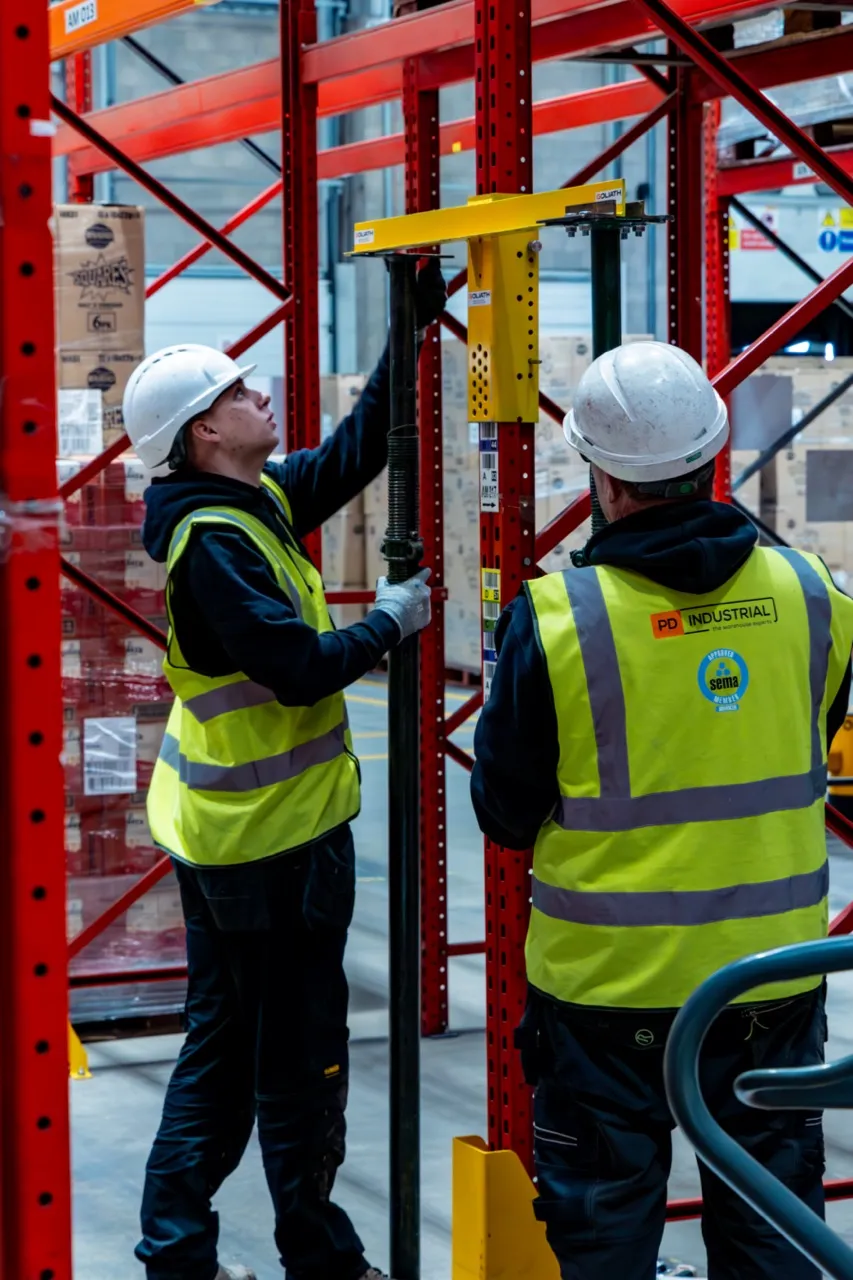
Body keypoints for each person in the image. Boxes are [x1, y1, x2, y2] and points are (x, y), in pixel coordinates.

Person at [470, 340, 853, 1280]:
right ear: (711, 454)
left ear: (599, 472)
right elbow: (816, 731)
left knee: (602, 1239)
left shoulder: (558, 618)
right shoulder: (812, 594)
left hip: (605, 999)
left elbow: (504, 812)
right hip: (770, 985)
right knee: (772, 1234)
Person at [123, 260, 446, 1280]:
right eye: (238, 391)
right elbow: (300, 667)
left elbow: (353, 453)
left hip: (239, 833)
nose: (259, 390)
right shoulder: (214, 542)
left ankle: (189, 1250)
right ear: (203, 432)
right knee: (286, 1057)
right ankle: (307, 1254)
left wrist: (409, 322)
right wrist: (390, 623)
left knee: (233, 1044)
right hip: (269, 847)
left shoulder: (245, 496)